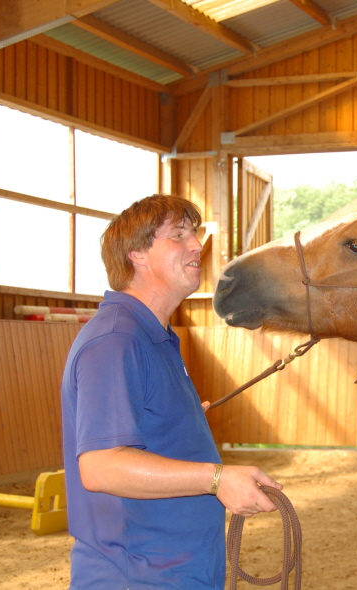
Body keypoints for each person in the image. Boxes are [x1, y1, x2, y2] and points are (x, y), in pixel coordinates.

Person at [61, 194, 281, 589]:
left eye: (193, 233)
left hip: (176, 571)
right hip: (139, 576)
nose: (196, 244)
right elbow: (101, 466)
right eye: (178, 235)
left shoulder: (152, 335)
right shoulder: (115, 340)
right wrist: (217, 479)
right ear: (137, 254)